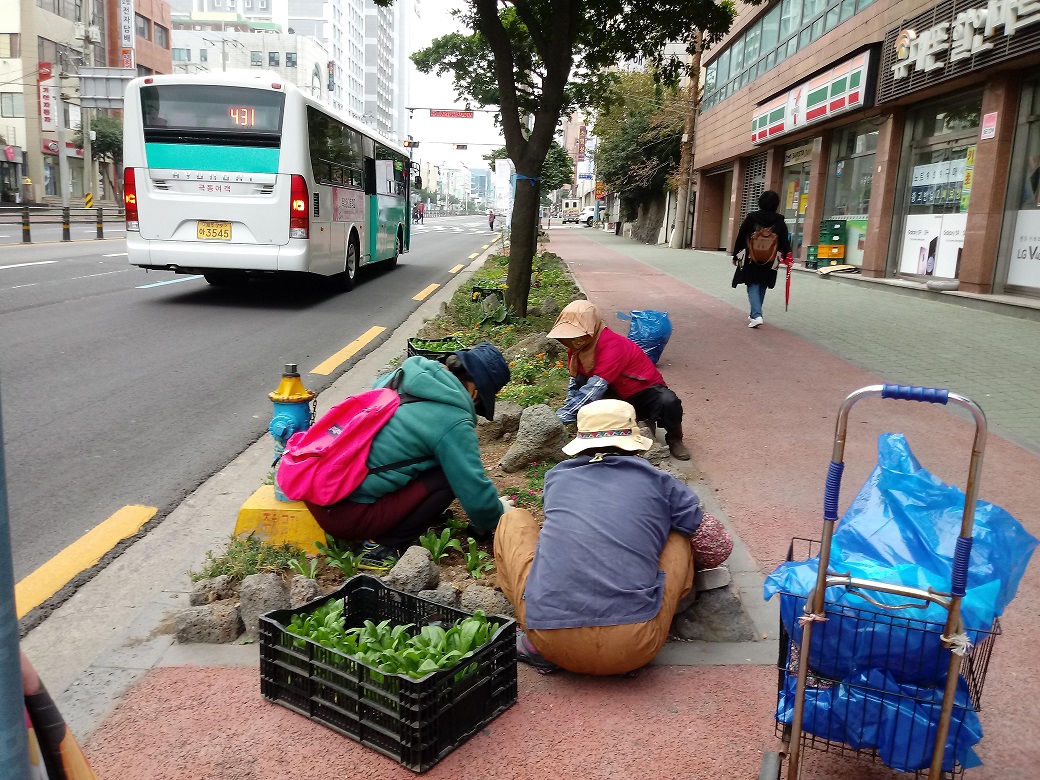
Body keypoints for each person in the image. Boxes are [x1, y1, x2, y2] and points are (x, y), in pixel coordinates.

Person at [494, 399, 701, 676]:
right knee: (679, 535)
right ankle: (635, 623)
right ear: (632, 440)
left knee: (513, 520)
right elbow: (695, 523)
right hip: (633, 647)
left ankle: (533, 645)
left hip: (549, 640)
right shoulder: (659, 480)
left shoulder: (557, 477)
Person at [304, 343, 512, 568]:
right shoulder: (453, 418)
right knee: (448, 475)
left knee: (429, 457)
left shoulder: (400, 376)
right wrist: (499, 512)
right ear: (476, 392)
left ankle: (404, 513)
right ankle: (380, 547)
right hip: (345, 516)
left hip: (319, 490)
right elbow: (474, 493)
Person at [548, 300, 691, 461]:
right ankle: (630, 423)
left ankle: (674, 438)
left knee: (668, 401)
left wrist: (560, 419)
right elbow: (574, 383)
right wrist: (568, 413)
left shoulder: (612, 345)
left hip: (643, 391)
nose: (573, 341)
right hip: (616, 392)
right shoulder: (577, 351)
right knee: (582, 380)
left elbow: (595, 388)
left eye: (577, 335)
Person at [732, 190, 792, 328]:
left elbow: (741, 237)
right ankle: (755, 313)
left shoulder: (752, 218)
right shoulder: (779, 221)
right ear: (776, 204)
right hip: (772, 258)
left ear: (760, 202)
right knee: (763, 283)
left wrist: (736, 255)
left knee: (752, 283)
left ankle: (756, 315)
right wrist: (786, 255)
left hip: (750, 257)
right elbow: (784, 241)